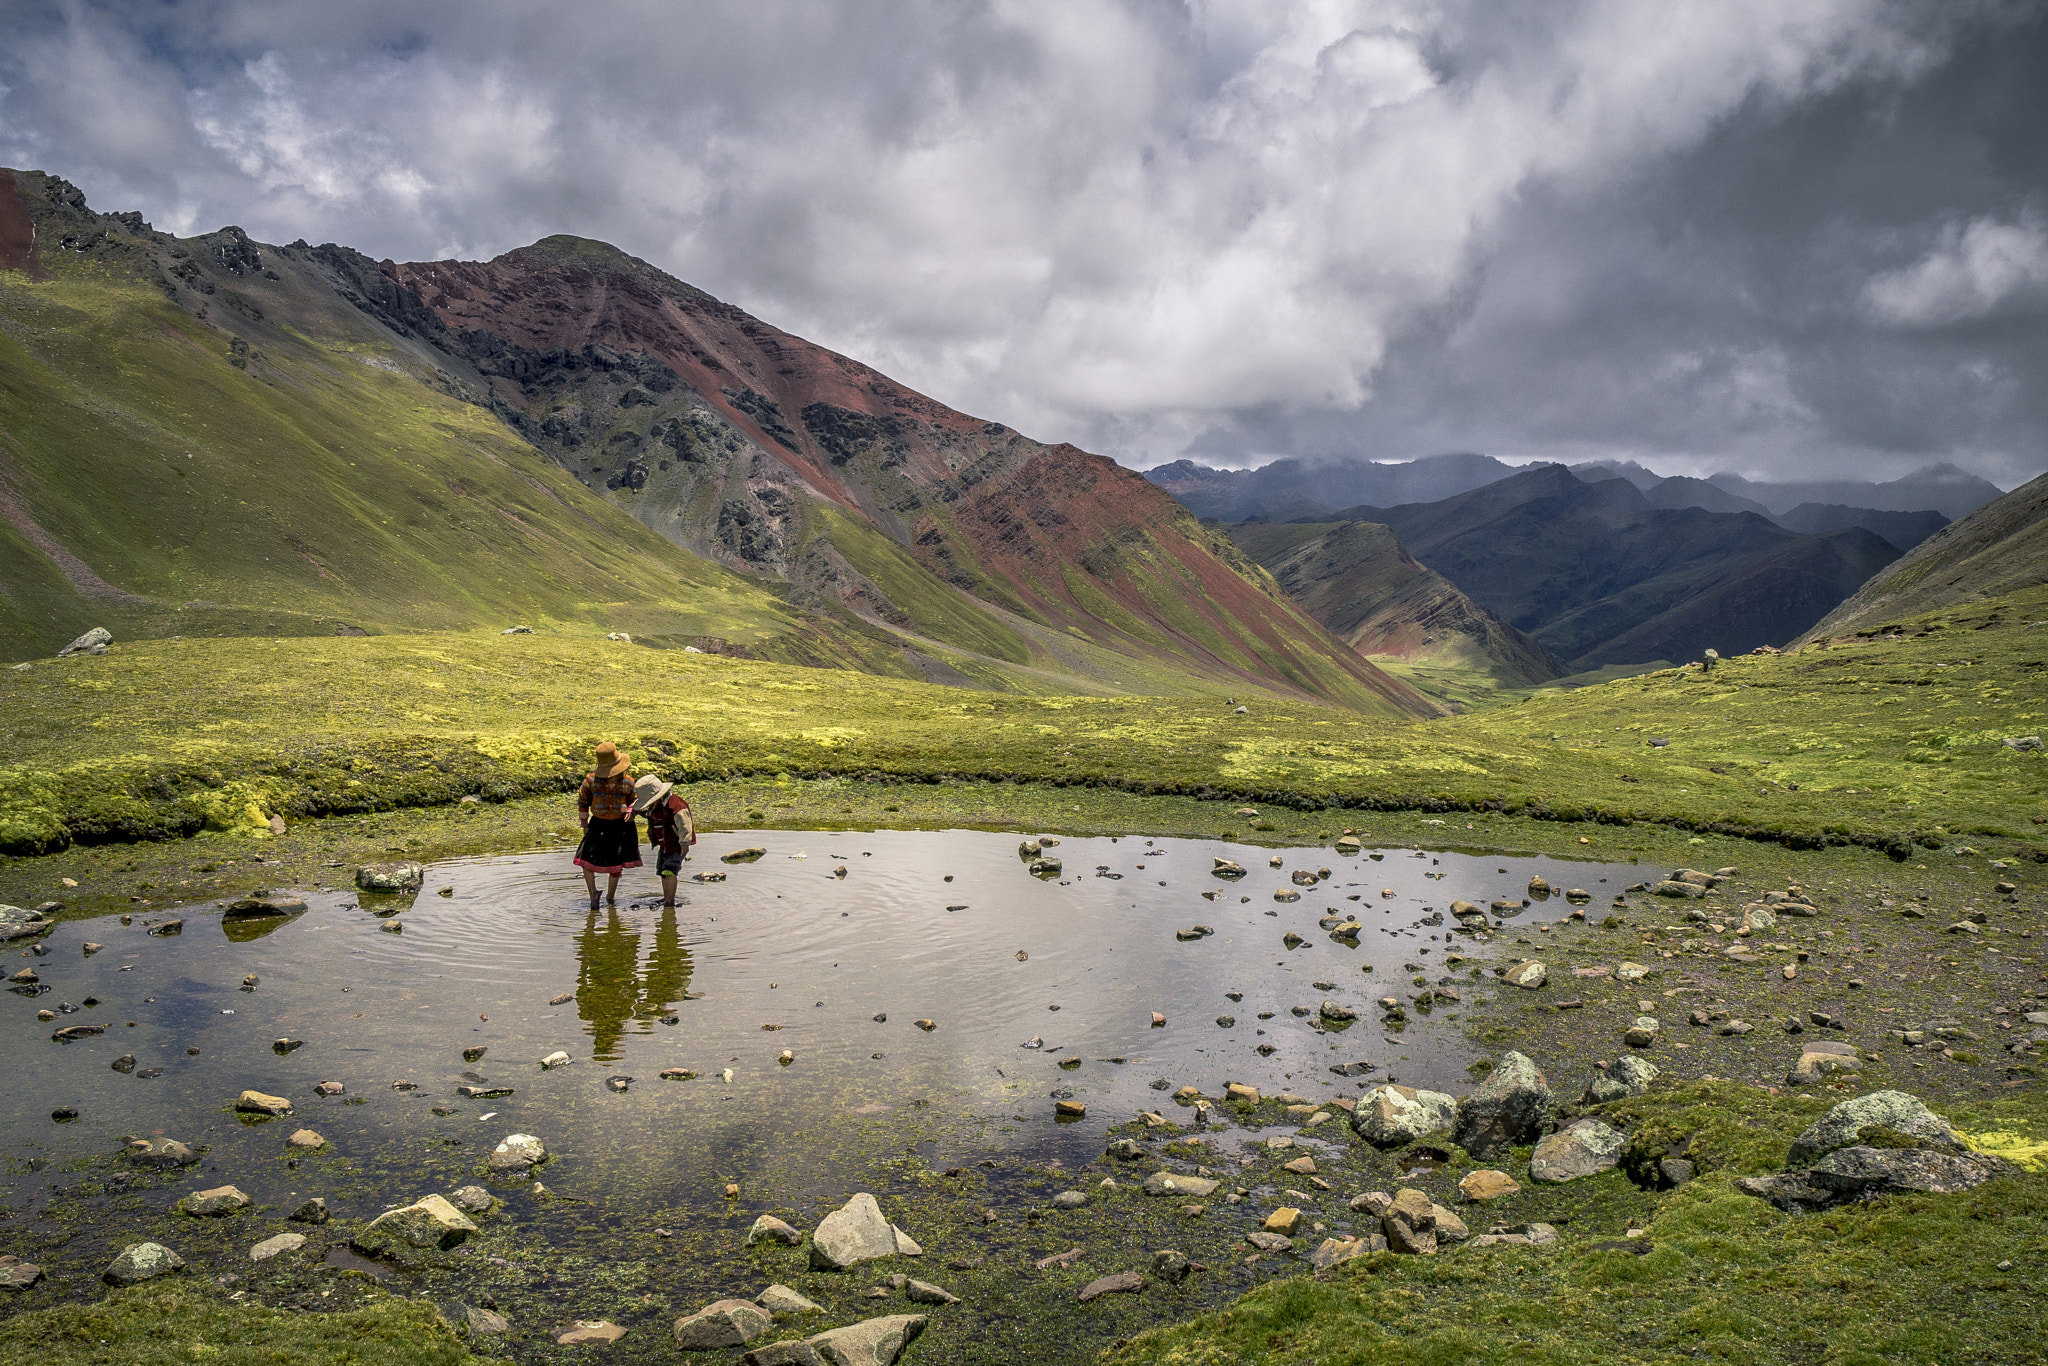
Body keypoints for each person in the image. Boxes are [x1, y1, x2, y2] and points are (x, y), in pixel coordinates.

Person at [574, 741, 641, 909]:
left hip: (621, 826)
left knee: (616, 863)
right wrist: (585, 825)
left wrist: (631, 811)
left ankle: (610, 897)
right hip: (598, 825)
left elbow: (635, 800)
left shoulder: (628, 782)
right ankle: (593, 894)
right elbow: (583, 802)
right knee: (585, 860)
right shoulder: (591, 781)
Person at [632, 772, 696, 908]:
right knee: (662, 870)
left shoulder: (676, 806)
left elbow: (685, 826)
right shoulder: (656, 806)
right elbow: (649, 815)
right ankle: (667, 897)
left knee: (669, 870)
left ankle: (670, 901)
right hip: (664, 845)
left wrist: (685, 843)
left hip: (675, 845)